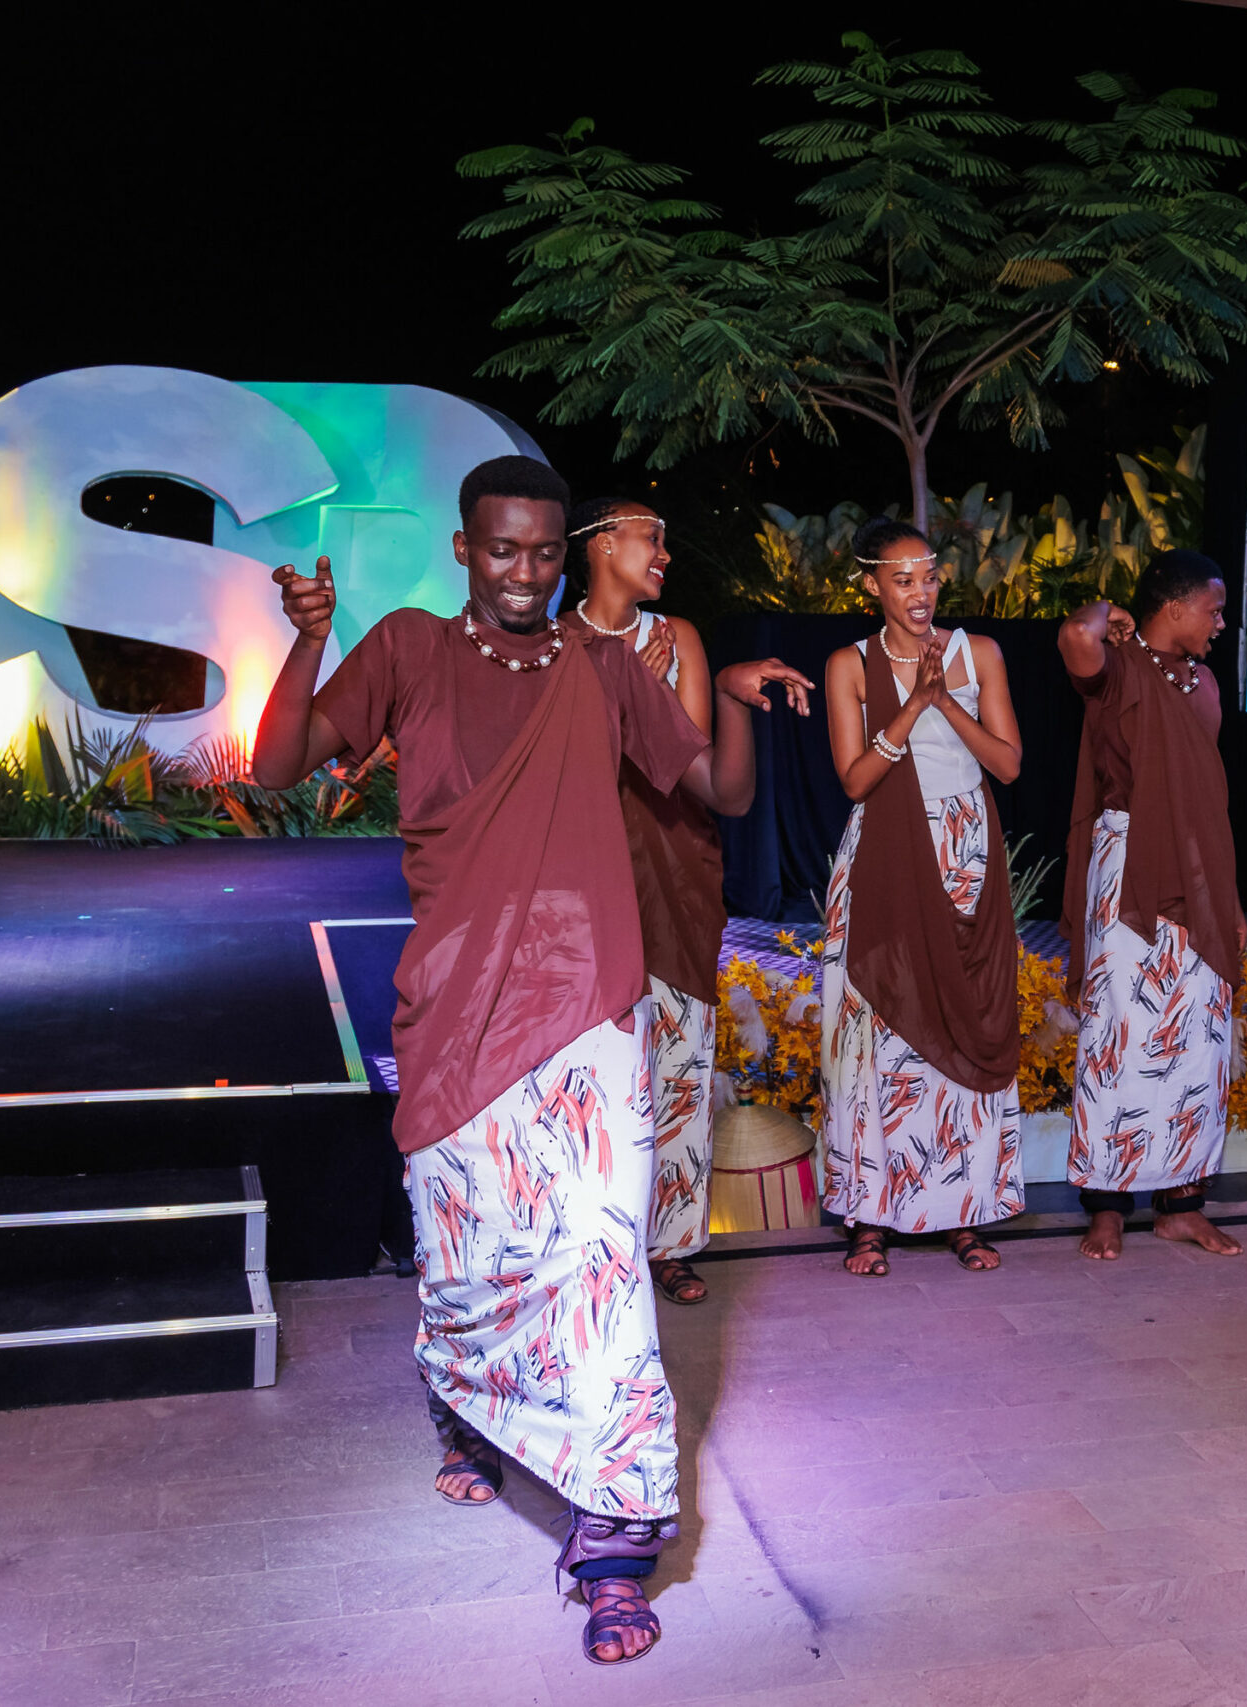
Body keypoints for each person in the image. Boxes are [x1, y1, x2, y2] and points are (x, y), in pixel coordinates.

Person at [250, 455, 794, 1667]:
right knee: (473, 1249)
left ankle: (612, 1542)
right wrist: (309, 641)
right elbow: (278, 767)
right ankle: (467, 1405)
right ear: (464, 549)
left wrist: (736, 700)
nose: (525, 573)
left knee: (600, 1260)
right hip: (456, 1004)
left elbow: (717, 790)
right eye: (503, 550)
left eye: (545, 553)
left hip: (588, 998)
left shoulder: (604, 667)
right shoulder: (406, 648)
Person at [561, 496, 814, 1307]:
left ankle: (669, 1245)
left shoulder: (681, 639)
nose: (665, 553)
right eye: (650, 538)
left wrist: (732, 700)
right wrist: (627, 685)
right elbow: (565, 778)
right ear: (602, 545)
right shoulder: (554, 644)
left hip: (674, 876)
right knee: (587, 1075)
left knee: (677, 1066)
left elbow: (712, 786)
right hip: (586, 887)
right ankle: (589, 1240)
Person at [818, 518, 1028, 1276]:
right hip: (884, 849)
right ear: (871, 584)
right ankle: (870, 1216)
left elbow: (1008, 764)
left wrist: (946, 701)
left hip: (964, 852)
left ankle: (962, 1212)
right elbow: (854, 780)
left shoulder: (981, 653)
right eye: (902, 579)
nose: (920, 592)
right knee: (876, 1039)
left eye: (929, 577)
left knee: (963, 1026)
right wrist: (912, 705)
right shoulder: (850, 663)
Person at [1058, 550, 1246, 1262]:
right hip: (1130, 865)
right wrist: (1111, 613)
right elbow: (1074, 636)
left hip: (1198, 870)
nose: (1221, 623)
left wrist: (1228, 902)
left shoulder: (1204, 682)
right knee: (1119, 1034)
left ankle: (1181, 1205)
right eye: (1214, 609)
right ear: (1174, 608)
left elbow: (1207, 803)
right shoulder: (1118, 667)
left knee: (1199, 1039)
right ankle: (1107, 1206)